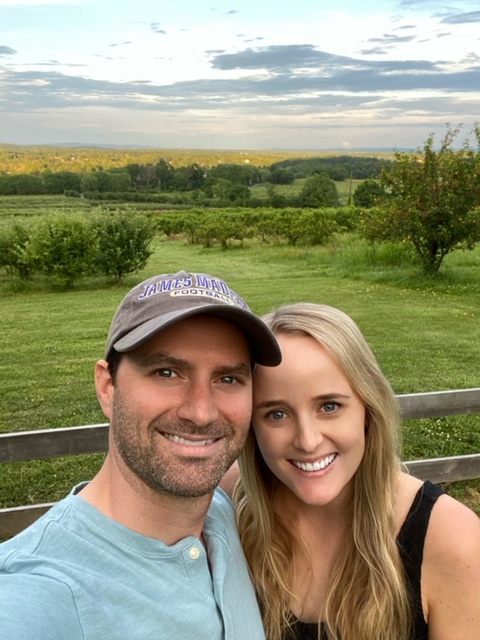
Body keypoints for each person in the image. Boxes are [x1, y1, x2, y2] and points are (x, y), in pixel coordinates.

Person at [0, 270, 281, 640]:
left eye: (228, 379)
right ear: (107, 387)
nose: (201, 413)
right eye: (166, 372)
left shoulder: (222, 511)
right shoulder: (39, 596)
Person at [233, 302, 480, 640]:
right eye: (276, 414)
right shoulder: (230, 513)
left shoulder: (451, 538)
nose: (307, 440)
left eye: (329, 406)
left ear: (368, 409)